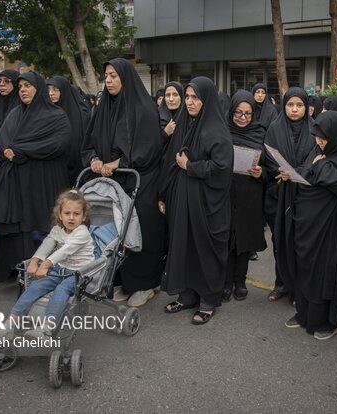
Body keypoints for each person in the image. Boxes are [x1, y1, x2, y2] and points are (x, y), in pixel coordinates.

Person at [82, 58, 165, 307]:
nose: (108, 80)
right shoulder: (102, 108)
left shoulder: (144, 108)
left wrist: (116, 163)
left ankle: (146, 283)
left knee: (142, 229)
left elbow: (149, 148)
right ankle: (123, 281)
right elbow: (87, 143)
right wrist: (95, 159)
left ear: (125, 77)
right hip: (111, 182)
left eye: (114, 75)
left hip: (142, 180)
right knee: (116, 231)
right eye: (106, 75)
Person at [160, 76, 233, 324]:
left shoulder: (216, 130)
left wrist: (191, 166)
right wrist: (164, 194)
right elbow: (170, 160)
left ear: (206, 100)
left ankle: (208, 300)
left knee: (205, 249)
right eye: (187, 97)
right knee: (184, 247)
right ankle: (188, 294)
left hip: (207, 204)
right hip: (183, 201)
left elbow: (222, 169)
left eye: (195, 98)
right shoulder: (183, 123)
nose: (189, 102)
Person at [0, 71, 71, 282]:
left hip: (44, 180)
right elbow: (3, 140)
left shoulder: (55, 115)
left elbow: (59, 143)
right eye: (21, 86)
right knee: (23, 226)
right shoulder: (15, 114)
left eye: (28, 85)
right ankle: (23, 271)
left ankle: (48, 272)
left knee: (44, 224)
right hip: (18, 181)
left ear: (39, 89)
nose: (23, 90)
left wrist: (22, 150)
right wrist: (9, 150)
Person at [286, 110, 337, 339]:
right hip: (307, 224)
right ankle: (304, 313)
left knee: (324, 271)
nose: (318, 142)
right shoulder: (319, 151)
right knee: (305, 267)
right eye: (316, 136)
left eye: (323, 137)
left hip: (329, 227)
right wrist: (291, 173)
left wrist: (320, 167)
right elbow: (307, 171)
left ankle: (328, 321)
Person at [0, 189, 94, 339]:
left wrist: (44, 265)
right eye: (67, 213)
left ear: (83, 217)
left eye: (76, 214)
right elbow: (46, 245)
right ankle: (10, 322)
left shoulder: (82, 232)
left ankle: (47, 328)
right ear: (60, 215)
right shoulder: (58, 230)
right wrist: (34, 262)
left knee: (61, 289)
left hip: (78, 273)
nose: (71, 218)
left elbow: (65, 251)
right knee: (36, 286)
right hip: (60, 269)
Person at [263, 87, 313, 303]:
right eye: (290, 105)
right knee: (280, 240)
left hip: (304, 196)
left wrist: (298, 172)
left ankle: (299, 289)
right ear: (284, 106)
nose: (294, 109)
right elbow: (269, 156)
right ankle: (281, 283)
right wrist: (281, 171)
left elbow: (317, 156)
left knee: (300, 243)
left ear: (306, 107)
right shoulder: (274, 128)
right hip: (279, 193)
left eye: (299, 105)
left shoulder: (315, 129)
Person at [222, 90, 267, 302]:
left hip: (250, 194)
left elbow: (270, 166)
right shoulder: (223, 131)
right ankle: (225, 283)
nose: (242, 117)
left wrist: (261, 173)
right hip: (226, 192)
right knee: (226, 238)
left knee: (244, 239)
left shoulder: (260, 133)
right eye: (238, 112)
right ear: (231, 111)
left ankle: (240, 281)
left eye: (248, 114)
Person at [47, 76, 91, 184]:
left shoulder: (81, 114)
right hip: (54, 167)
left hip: (78, 167)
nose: (51, 93)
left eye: (55, 89)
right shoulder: (47, 113)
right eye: (48, 90)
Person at [158, 81, 184, 153]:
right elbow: (149, 145)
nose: (171, 99)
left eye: (175, 95)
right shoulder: (156, 117)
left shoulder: (189, 118)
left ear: (181, 96)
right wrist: (165, 133)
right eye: (167, 95)